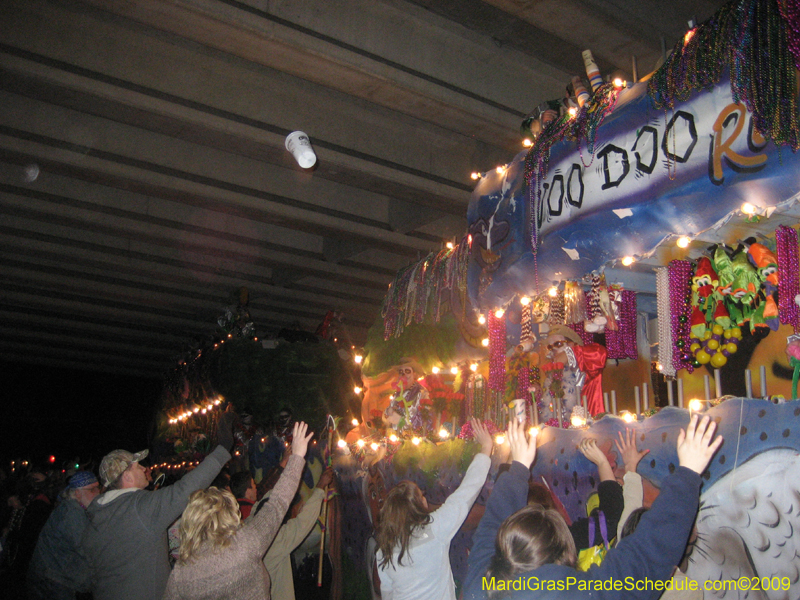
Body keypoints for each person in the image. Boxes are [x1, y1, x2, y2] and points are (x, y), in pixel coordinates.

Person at [462, 414, 723, 599]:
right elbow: (641, 557)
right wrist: (689, 471)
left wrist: (517, 466)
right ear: (565, 548)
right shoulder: (576, 594)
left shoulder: (480, 579)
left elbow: (490, 526)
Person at [82, 411, 235, 600]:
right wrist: (221, 451)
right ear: (127, 477)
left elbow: (86, 577)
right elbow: (183, 489)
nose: (145, 468)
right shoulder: (139, 508)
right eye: (137, 466)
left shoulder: (95, 517)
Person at [162, 421, 314, 600]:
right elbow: (277, 504)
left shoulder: (180, 574)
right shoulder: (246, 544)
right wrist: (297, 457)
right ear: (228, 515)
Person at [376, 417, 493, 600]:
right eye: (422, 496)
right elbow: (467, 492)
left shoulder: (384, 548)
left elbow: (387, 593)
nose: (425, 497)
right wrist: (486, 448)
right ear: (419, 506)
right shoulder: (435, 529)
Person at [260, 466, 334, 600]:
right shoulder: (275, 539)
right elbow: (303, 522)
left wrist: (289, 468)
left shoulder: (248, 525)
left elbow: (264, 502)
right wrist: (320, 486)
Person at [27, 471, 100, 600]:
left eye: (98, 487)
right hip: (53, 580)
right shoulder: (72, 513)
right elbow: (87, 548)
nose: (98, 493)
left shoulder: (74, 508)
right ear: (77, 493)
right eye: (92, 489)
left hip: (54, 576)